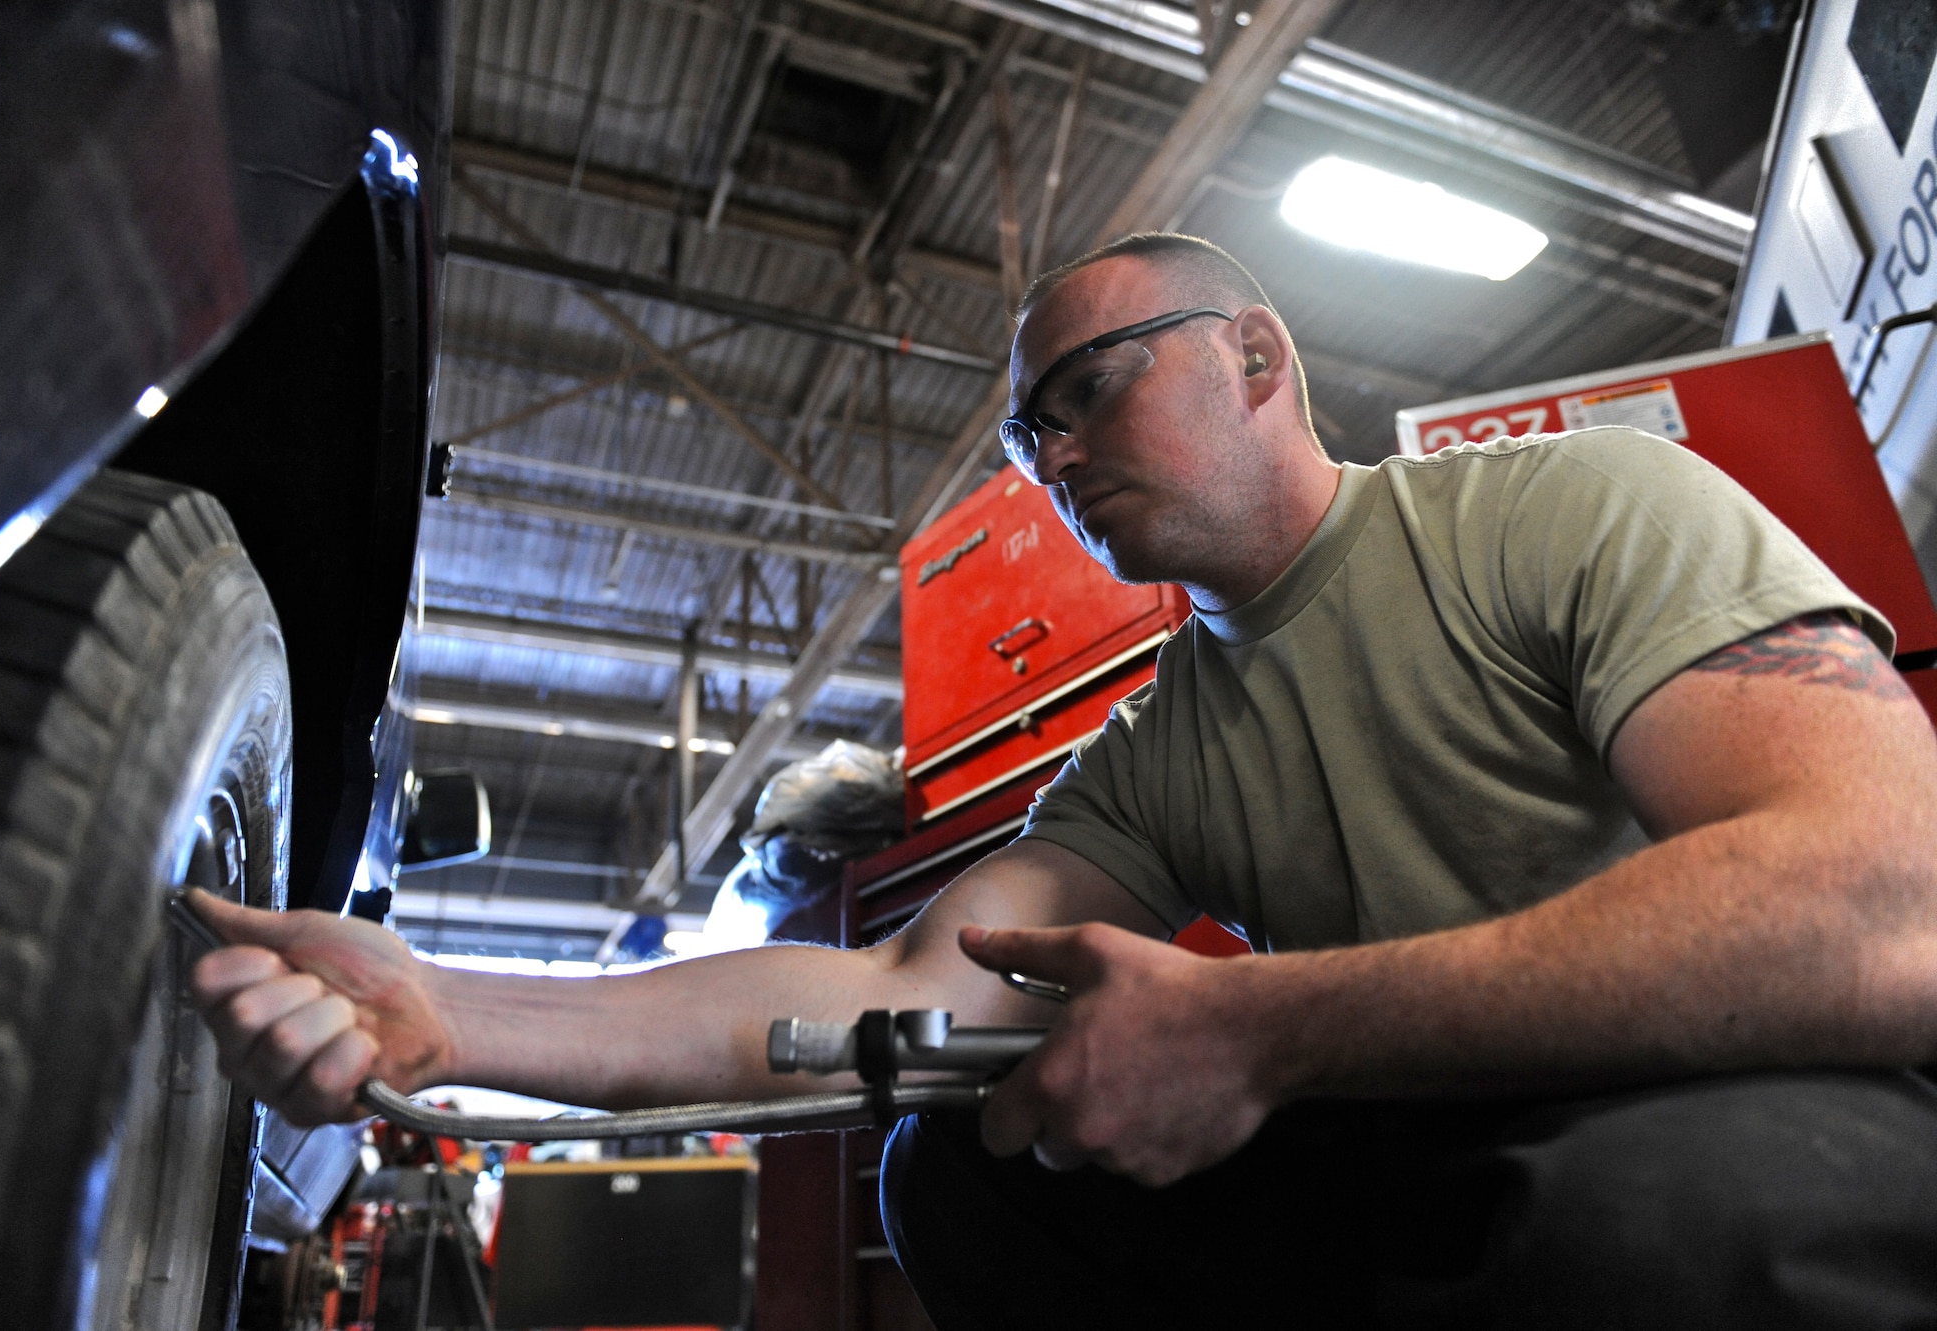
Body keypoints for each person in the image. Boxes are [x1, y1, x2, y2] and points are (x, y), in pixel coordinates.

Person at [190, 233, 1937, 1328]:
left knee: (1656, 1237)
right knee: (968, 1177)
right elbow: (888, 992)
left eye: (1092, 392)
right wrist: (455, 1015)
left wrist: (1270, 1028)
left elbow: (1885, 906)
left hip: (1773, 1099)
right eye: (1033, 443)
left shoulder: (1566, 514)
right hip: (1454, 1145)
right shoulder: (1168, 735)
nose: (1058, 463)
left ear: (1258, 361)